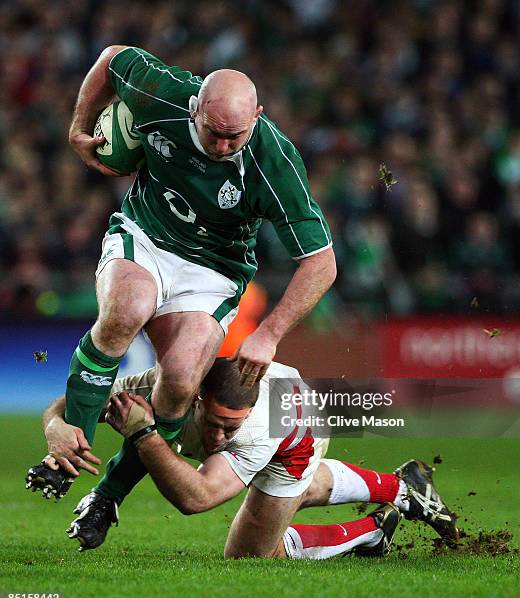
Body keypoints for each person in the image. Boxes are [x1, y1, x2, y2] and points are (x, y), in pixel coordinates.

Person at [60, 44, 336, 476]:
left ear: (257, 116)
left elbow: (321, 262)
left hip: (214, 267)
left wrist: (269, 335)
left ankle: (109, 493)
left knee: (184, 377)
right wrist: (79, 127)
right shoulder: (161, 94)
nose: (224, 145)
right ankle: (68, 450)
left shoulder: (274, 162)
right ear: (195, 109)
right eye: (214, 132)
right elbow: (113, 58)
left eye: (237, 135)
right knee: (125, 311)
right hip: (147, 233)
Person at [29, 359, 458, 559]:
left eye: (228, 429)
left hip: (294, 433)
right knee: (292, 495)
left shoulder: (256, 428)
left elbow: (197, 498)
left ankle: (369, 532)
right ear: (194, 398)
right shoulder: (160, 388)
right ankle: (403, 488)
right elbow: (69, 404)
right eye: (212, 422)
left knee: (251, 557)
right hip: (278, 402)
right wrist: (55, 432)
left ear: (246, 416)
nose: (217, 437)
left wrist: (143, 433)